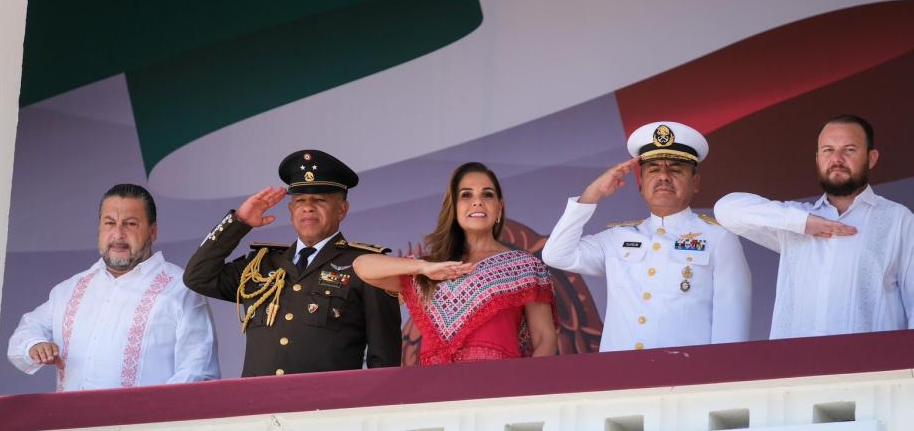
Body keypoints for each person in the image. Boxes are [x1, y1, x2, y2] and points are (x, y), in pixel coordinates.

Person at [184, 150, 401, 377]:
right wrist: (238, 221)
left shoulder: (366, 266)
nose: (307, 207)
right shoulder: (261, 264)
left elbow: (384, 361)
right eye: (299, 201)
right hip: (258, 408)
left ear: (342, 210)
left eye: (319, 200)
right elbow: (198, 276)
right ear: (290, 210)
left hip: (327, 410)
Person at [541, 121, 752, 351]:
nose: (663, 177)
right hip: (620, 378)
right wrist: (592, 194)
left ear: (696, 182)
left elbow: (732, 324)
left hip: (685, 378)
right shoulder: (617, 238)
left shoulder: (718, 238)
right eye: (652, 170)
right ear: (641, 186)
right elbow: (556, 254)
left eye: (675, 169)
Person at [715, 115, 913, 339]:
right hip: (795, 366)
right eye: (828, 150)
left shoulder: (898, 219)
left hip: (871, 366)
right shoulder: (794, 217)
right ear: (818, 159)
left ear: (871, 158)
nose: (837, 159)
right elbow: (726, 209)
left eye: (849, 150)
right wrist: (804, 223)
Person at [8, 184, 219, 391]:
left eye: (130, 224)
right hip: (72, 423)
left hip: (144, 424)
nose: (118, 234)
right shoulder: (70, 290)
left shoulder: (180, 289)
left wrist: (151, 416)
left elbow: (198, 372)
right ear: (99, 227)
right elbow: (26, 331)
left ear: (152, 231)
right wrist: (34, 345)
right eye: (110, 223)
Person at [353, 162, 557, 365]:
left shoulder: (525, 267)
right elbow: (362, 266)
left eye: (487, 194)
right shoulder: (433, 266)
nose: (477, 202)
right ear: (454, 208)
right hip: (438, 388)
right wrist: (424, 268)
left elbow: (544, 339)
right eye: (466, 195)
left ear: (499, 207)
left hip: (499, 386)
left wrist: (520, 389)